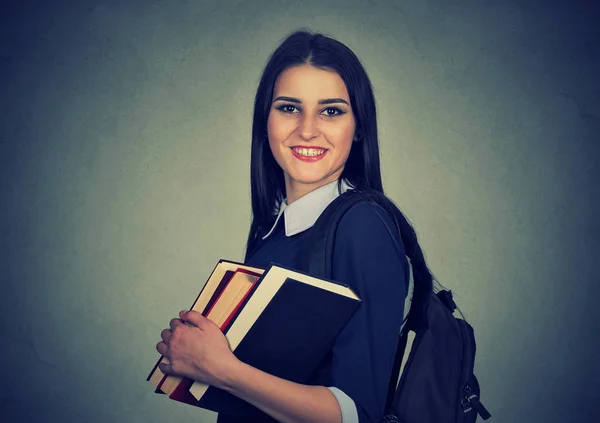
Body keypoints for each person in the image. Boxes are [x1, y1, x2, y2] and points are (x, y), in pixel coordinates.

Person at [156, 30, 432, 423]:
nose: (307, 129)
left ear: (359, 129)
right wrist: (193, 359)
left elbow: (356, 415)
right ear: (264, 121)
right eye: (289, 108)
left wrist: (220, 368)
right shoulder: (273, 232)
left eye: (331, 111)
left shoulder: (362, 227)